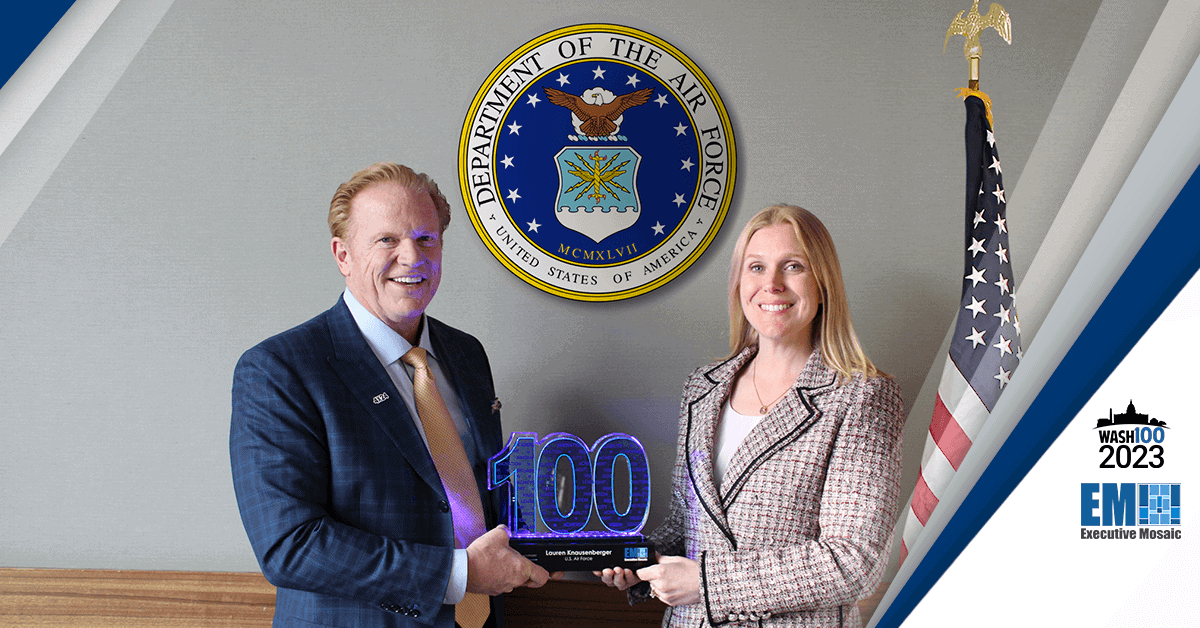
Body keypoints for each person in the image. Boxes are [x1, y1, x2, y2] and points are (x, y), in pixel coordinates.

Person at [230, 162, 551, 628]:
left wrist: (578, 552)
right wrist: (458, 574)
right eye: (387, 239)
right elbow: (290, 546)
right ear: (343, 255)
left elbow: (480, 495)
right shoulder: (280, 369)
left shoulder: (465, 354)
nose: (412, 257)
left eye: (426, 239)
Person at [597, 205, 903, 628]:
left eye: (793, 266)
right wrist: (638, 561)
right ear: (739, 283)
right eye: (756, 267)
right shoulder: (702, 388)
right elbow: (687, 524)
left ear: (823, 283)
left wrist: (709, 583)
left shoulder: (861, 396)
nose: (772, 284)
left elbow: (854, 561)